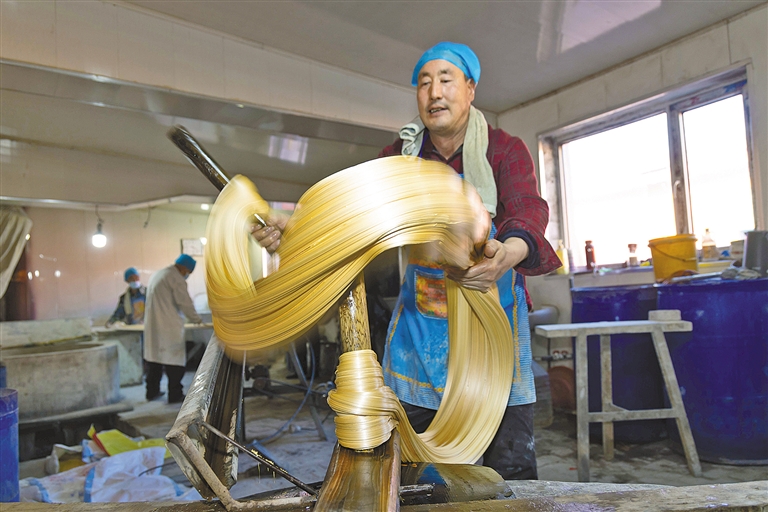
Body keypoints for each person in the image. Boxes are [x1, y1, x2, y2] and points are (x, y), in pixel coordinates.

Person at [252, 41, 560, 479]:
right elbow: (353, 212)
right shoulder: (401, 156)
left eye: (446, 79)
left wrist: (508, 252)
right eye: (424, 82)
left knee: (509, 469)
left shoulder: (503, 150)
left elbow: (528, 208)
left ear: (470, 89)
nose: (434, 92)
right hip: (422, 332)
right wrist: (296, 229)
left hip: (493, 322)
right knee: (414, 468)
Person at [143, 254, 204, 403]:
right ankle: (175, 394)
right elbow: (185, 303)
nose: (186, 275)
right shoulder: (175, 278)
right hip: (168, 326)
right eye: (188, 272)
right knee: (174, 361)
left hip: (153, 326)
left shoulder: (159, 274)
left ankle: (152, 392)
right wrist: (197, 319)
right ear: (184, 268)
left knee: (154, 360)